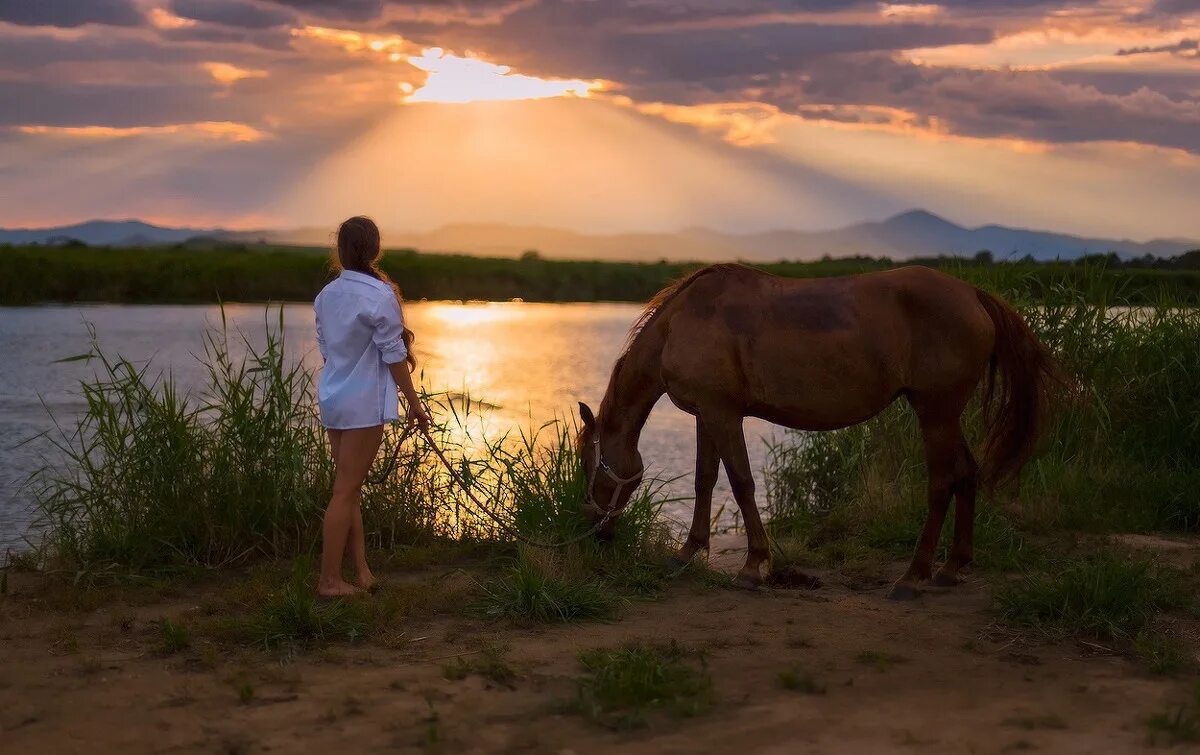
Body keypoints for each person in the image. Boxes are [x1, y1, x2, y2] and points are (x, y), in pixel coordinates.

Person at [314, 216, 430, 597]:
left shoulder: (326, 295)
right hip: (361, 404)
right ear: (375, 250)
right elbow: (394, 355)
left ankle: (361, 571)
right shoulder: (378, 296)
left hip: (334, 399)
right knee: (345, 491)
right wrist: (414, 404)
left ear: (342, 251)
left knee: (350, 488)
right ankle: (330, 581)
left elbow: (328, 351)